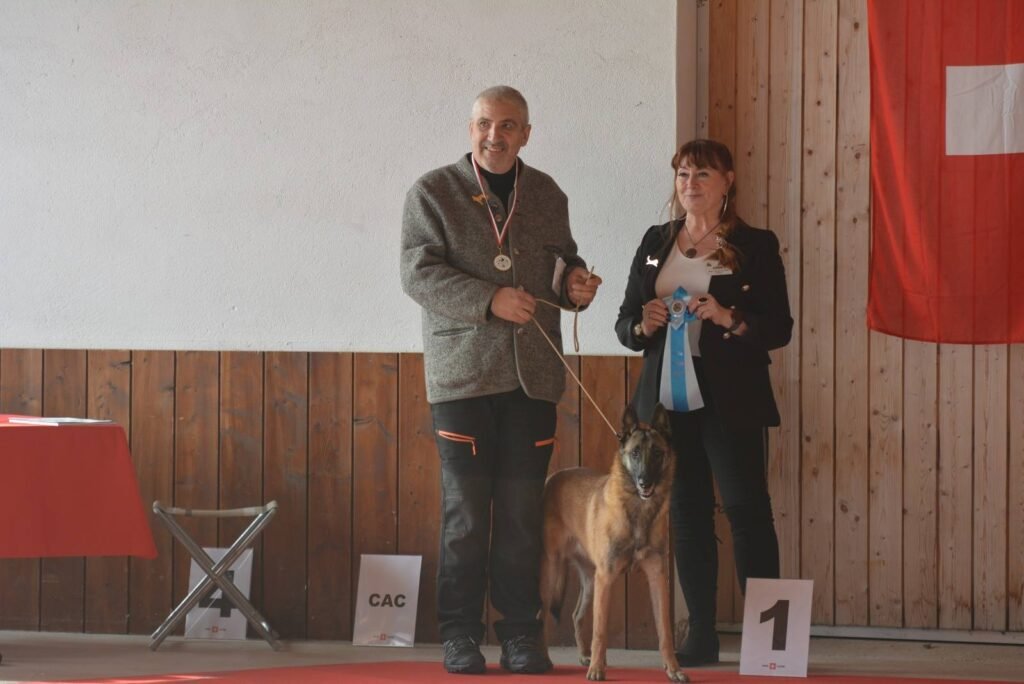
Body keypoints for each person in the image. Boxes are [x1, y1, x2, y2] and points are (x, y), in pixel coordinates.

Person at [400, 85, 601, 675]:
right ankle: (460, 635)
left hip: (532, 382)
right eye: (486, 123)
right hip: (463, 380)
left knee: (520, 517)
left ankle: (520, 635)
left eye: (509, 125)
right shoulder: (432, 192)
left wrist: (575, 284)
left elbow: (561, 261)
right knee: (466, 517)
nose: (496, 135)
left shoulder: (548, 194)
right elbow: (417, 273)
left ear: (526, 134)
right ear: (471, 129)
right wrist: (489, 300)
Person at [615, 138, 792, 666]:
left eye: (703, 175)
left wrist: (727, 317)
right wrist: (641, 324)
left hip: (731, 397)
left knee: (747, 511)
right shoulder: (655, 241)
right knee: (688, 516)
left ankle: (770, 642)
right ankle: (700, 636)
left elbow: (778, 328)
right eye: (683, 175)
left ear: (728, 182)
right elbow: (625, 322)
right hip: (667, 403)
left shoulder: (755, 245)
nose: (690, 184)